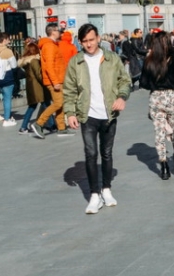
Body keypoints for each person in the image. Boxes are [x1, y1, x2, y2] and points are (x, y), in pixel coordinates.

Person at [62, 23, 131, 214]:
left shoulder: (111, 58)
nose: (88, 44)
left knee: (106, 153)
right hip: (87, 115)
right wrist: (70, 113)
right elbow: (69, 90)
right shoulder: (76, 62)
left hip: (109, 114)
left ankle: (106, 189)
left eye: (91, 40)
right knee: (91, 154)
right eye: (84, 41)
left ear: (98, 38)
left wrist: (122, 97)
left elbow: (125, 80)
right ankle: (94, 195)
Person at [140, 31, 174, 180]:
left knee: (159, 132)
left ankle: (163, 166)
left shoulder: (149, 60)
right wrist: (171, 82)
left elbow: (143, 82)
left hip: (156, 98)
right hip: (172, 97)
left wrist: (155, 84)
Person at [32, 23, 72, 138]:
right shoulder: (49, 46)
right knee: (58, 103)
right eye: (58, 30)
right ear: (53, 31)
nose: (60, 32)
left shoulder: (53, 45)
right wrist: (55, 82)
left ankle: (61, 128)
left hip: (58, 79)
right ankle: (39, 123)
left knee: (60, 103)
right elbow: (49, 66)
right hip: (54, 81)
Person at [18, 42, 52, 134]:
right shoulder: (34, 60)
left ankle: (23, 127)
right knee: (46, 105)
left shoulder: (26, 62)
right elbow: (38, 74)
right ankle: (52, 125)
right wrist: (47, 82)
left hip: (32, 86)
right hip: (38, 87)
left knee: (34, 106)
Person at [0, 32, 19, 127]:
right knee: (7, 99)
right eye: (9, 39)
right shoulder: (8, 51)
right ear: (4, 39)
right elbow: (14, 65)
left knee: (4, 98)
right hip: (7, 77)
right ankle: (7, 119)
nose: (9, 41)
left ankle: (8, 116)